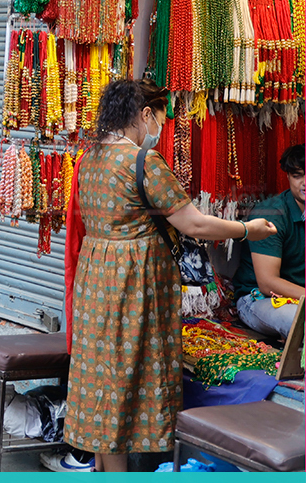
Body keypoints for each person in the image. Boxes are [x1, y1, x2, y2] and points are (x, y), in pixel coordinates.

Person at [64, 79, 276, 472]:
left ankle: (106, 470)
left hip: (97, 279)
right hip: (134, 282)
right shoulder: (142, 161)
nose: (161, 128)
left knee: (105, 378)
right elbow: (194, 224)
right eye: (161, 118)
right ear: (145, 115)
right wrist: (248, 230)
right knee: (130, 375)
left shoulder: (90, 157)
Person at [231, 144, 304, 338]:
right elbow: (268, 283)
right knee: (300, 322)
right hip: (257, 298)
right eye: (298, 175)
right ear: (288, 176)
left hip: (300, 297)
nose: (305, 182)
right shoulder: (272, 213)